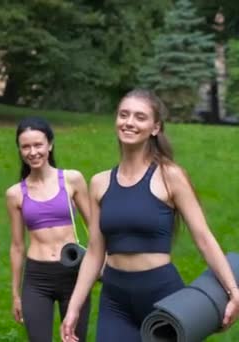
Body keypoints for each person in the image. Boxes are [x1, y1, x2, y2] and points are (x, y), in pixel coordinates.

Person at [61, 89, 239, 342]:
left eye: (140, 117)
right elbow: (94, 250)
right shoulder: (99, 182)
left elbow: (203, 237)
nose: (129, 122)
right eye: (124, 115)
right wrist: (74, 308)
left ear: (155, 128)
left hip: (161, 296)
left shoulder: (170, 176)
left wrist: (233, 291)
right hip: (115, 299)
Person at [6, 117, 91, 342]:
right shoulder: (15, 193)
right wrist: (15, 294)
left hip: (73, 273)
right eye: (26, 146)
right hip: (37, 278)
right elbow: (16, 246)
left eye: (38, 145)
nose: (32, 152)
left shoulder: (72, 180)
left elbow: (95, 227)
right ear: (19, 149)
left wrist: (99, 262)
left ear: (49, 145)